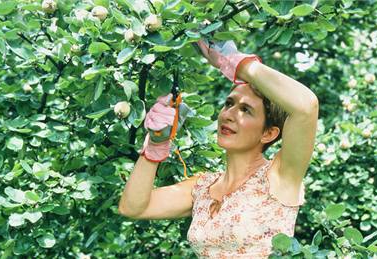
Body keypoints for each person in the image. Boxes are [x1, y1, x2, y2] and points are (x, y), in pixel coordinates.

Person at [118, 39, 319, 258]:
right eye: (229, 103)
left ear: (268, 133)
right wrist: (155, 145)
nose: (229, 114)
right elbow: (132, 207)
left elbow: (306, 107)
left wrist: (237, 64)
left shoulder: (280, 177)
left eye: (246, 110)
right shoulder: (203, 187)